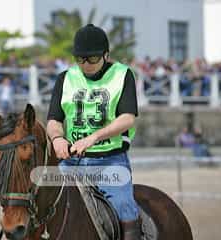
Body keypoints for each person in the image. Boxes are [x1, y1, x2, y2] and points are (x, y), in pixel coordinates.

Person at [46, 24, 141, 239]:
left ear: (106, 55)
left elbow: (127, 118)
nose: (85, 65)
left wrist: (94, 137)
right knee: (38, 202)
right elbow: (54, 120)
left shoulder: (123, 75)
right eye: (80, 59)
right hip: (70, 162)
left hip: (110, 161)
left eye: (92, 59)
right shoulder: (64, 78)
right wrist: (57, 138)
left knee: (125, 206)